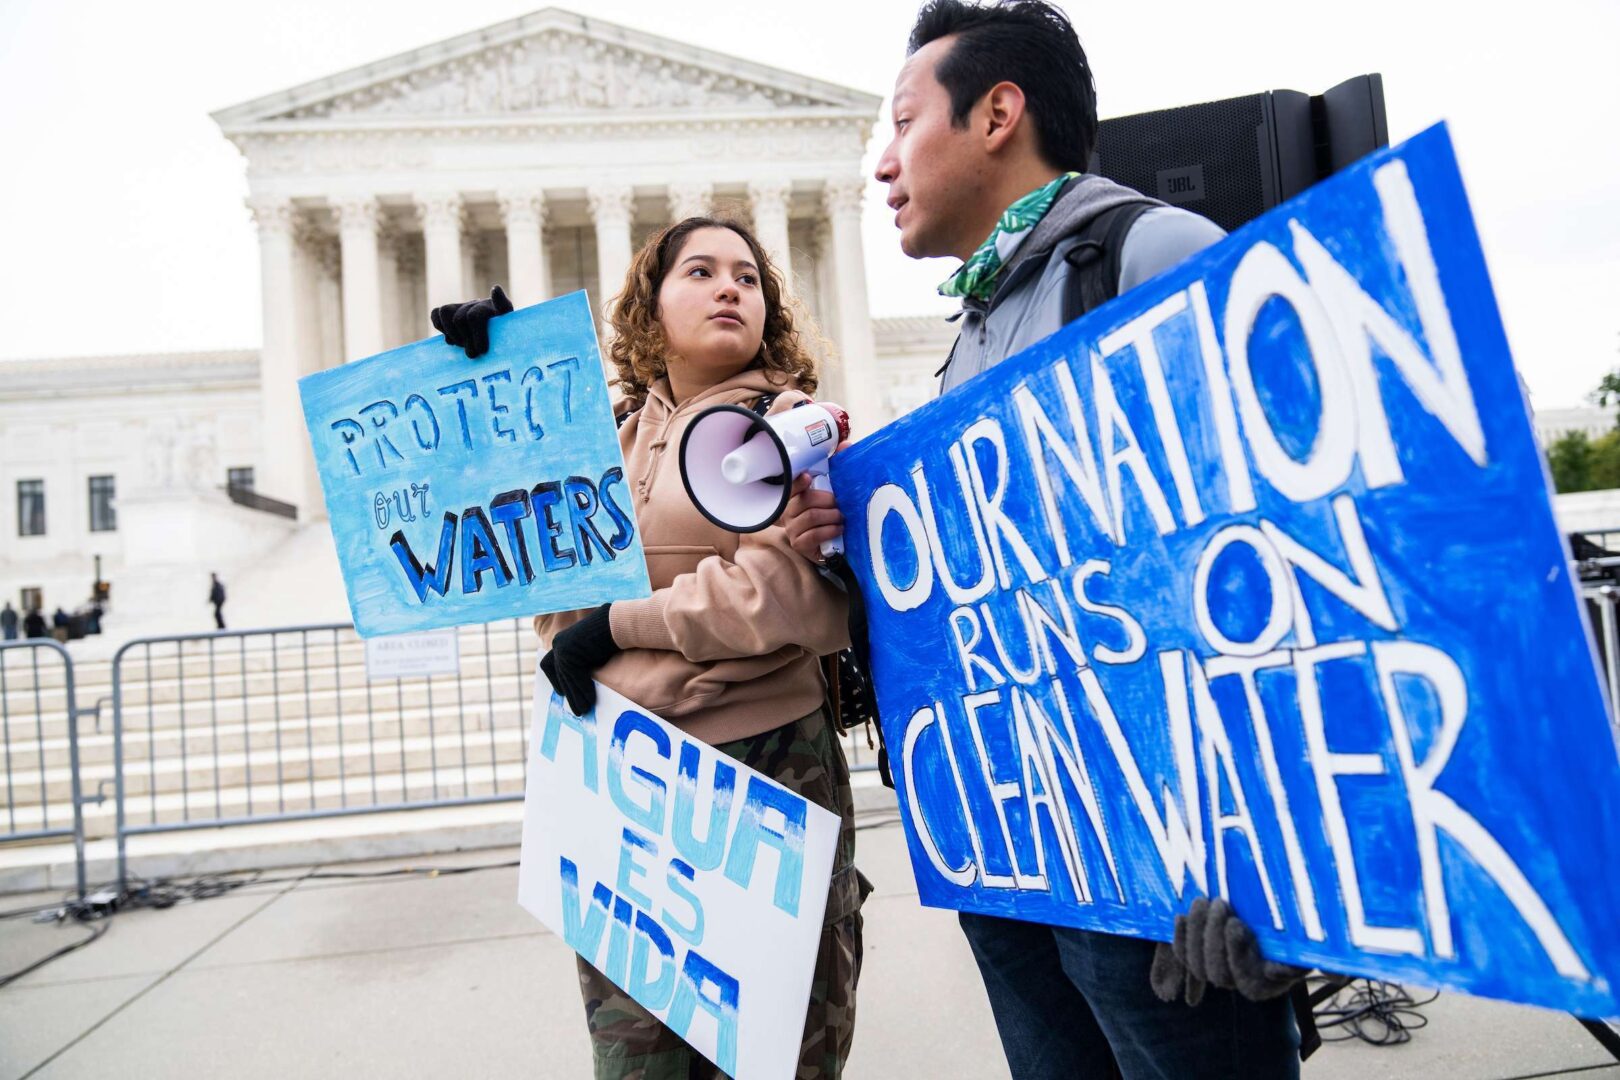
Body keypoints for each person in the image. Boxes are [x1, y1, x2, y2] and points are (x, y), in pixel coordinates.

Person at [783, 2, 1306, 1077]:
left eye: (903, 121)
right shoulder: (975, 329)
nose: (882, 165)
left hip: (1167, 877)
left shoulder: (1148, 255)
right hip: (1020, 863)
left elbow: (1286, 559)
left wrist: (1275, 862)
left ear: (998, 115)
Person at [431, 218, 867, 1080]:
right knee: (637, 1055)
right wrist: (498, 372)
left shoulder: (792, 424)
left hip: (763, 767)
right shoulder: (614, 436)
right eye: (700, 271)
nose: (729, 287)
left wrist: (615, 629)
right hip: (621, 777)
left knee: (780, 1050)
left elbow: (781, 597)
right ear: (651, 306)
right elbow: (529, 551)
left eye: (747, 276)